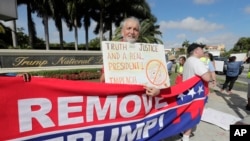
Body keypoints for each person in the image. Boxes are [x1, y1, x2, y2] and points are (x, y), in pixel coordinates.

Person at [99, 16, 160, 96]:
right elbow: (102, 81)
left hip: (139, 99)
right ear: (122, 31)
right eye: (129, 28)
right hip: (118, 98)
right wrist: (109, 71)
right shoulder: (112, 52)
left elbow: (157, 78)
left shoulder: (147, 52)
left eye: (135, 29)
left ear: (139, 33)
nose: (132, 32)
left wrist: (157, 90)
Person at [181, 43, 211, 141]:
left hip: (186, 91)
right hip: (195, 93)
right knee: (193, 113)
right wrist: (209, 71)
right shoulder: (197, 62)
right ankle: (186, 136)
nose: (203, 51)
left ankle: (183, 130)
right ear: (196, 51)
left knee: (186, 112)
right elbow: (207, 78)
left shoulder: (188, 61)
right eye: (201, 49)